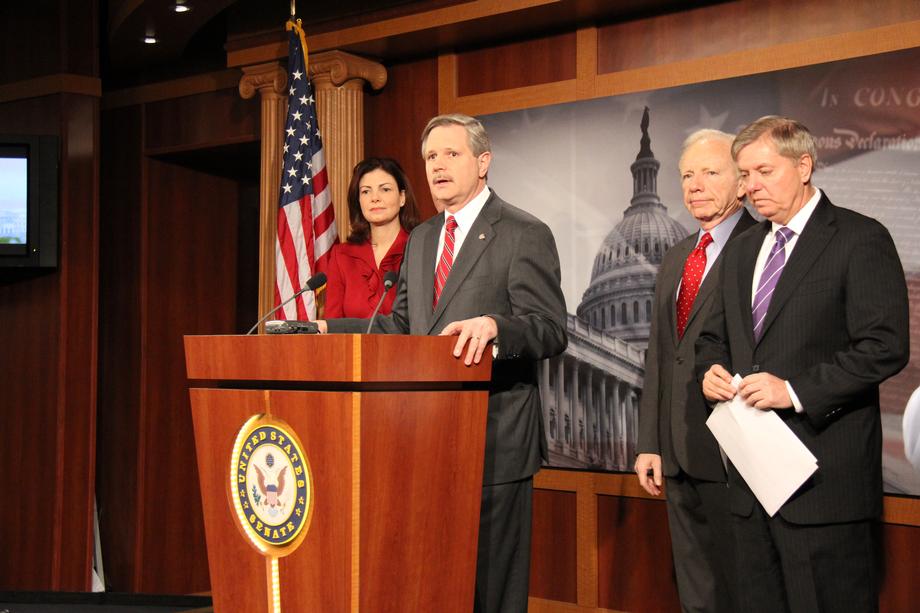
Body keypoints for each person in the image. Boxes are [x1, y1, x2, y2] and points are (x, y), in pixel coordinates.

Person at [319, 113, 567, 612]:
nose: (437, 166)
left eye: (451, 154)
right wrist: (323, 330)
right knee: (435, 582)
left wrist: (498, 327)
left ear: (483, 162)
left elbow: (550, 327)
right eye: (431, 157)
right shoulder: (424, 238)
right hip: (425, 438)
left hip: (494, 436)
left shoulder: (523, 232)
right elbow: (398, 327)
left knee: (490, 588)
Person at [696, 116, 909, 613]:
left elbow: (885, 345)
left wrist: (792, 390)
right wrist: (709, 371)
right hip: (751, 490)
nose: (750, 188)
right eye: (745, 176)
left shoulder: (860, 238)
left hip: (823, 489)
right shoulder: (743, 247)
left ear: (804, 164)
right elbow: (713, 337)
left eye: (764, 172)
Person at [635, 129, 755, 613]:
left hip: (738, 449)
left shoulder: (763, 245)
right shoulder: (677, 254)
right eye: (687, 175)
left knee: (743, 586)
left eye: (710, 172)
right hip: (678, 449)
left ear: (742, 182)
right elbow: (660, 354)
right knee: (696, 591)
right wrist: (649, 442)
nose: (695, 185)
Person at [324, 157, 419, 318]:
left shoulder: (419, 249)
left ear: (402, 197)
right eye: (366, 191)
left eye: (385, 189)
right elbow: (332, 326)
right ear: (359, 200)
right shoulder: (342, 256)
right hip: (351, 344)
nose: (374, 198)